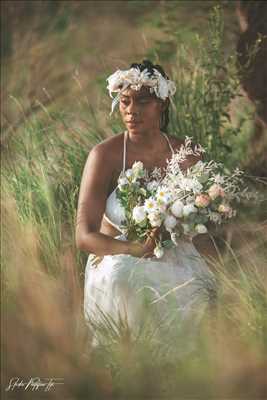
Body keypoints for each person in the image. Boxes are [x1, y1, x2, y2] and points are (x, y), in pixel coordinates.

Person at [76, 60, 213, 353]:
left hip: (176, 253)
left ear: (163, 103)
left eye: (143, 101)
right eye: (125, 101)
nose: (131, 110)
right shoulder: (104, 155)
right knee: (124, 279)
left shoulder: (188, 156)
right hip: (117, 254)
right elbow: (83, 236)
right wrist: (133, 249)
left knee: (201, 287)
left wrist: (183, 227)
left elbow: (205, 225)